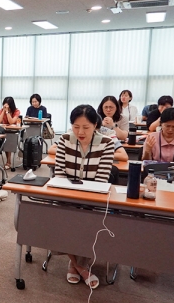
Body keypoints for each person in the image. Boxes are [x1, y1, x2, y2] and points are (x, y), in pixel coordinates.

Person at [54, 104, 115, 289]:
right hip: (67, 197)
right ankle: (82, 268)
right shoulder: (65, 139)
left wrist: (82, 200)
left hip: (93, 199)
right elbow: (59, 175)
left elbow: (101, 180)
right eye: (75, 126)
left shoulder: (106, 143)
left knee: (90, 223)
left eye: (86, 127)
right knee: (58, 219)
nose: (80, 132)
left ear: (95, 125)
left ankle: (75, 264)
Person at [48, 115, 128, 161]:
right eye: (77, 126)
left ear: (97, 126)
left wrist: (98, 155)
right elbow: (51, 149)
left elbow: (124, 156)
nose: (81, 132)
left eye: (86, 128)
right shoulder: (72, 132)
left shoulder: (107, 133)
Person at [0, 96, 21, 169]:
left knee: (8, 139)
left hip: (13, 131)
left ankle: (8, 162)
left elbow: (11, 122)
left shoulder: (16, 111)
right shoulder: (1, 111)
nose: (6, 107)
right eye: (4, 105)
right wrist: (4, 111)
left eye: (7, 105)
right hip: (3, 130)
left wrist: (7, 112)